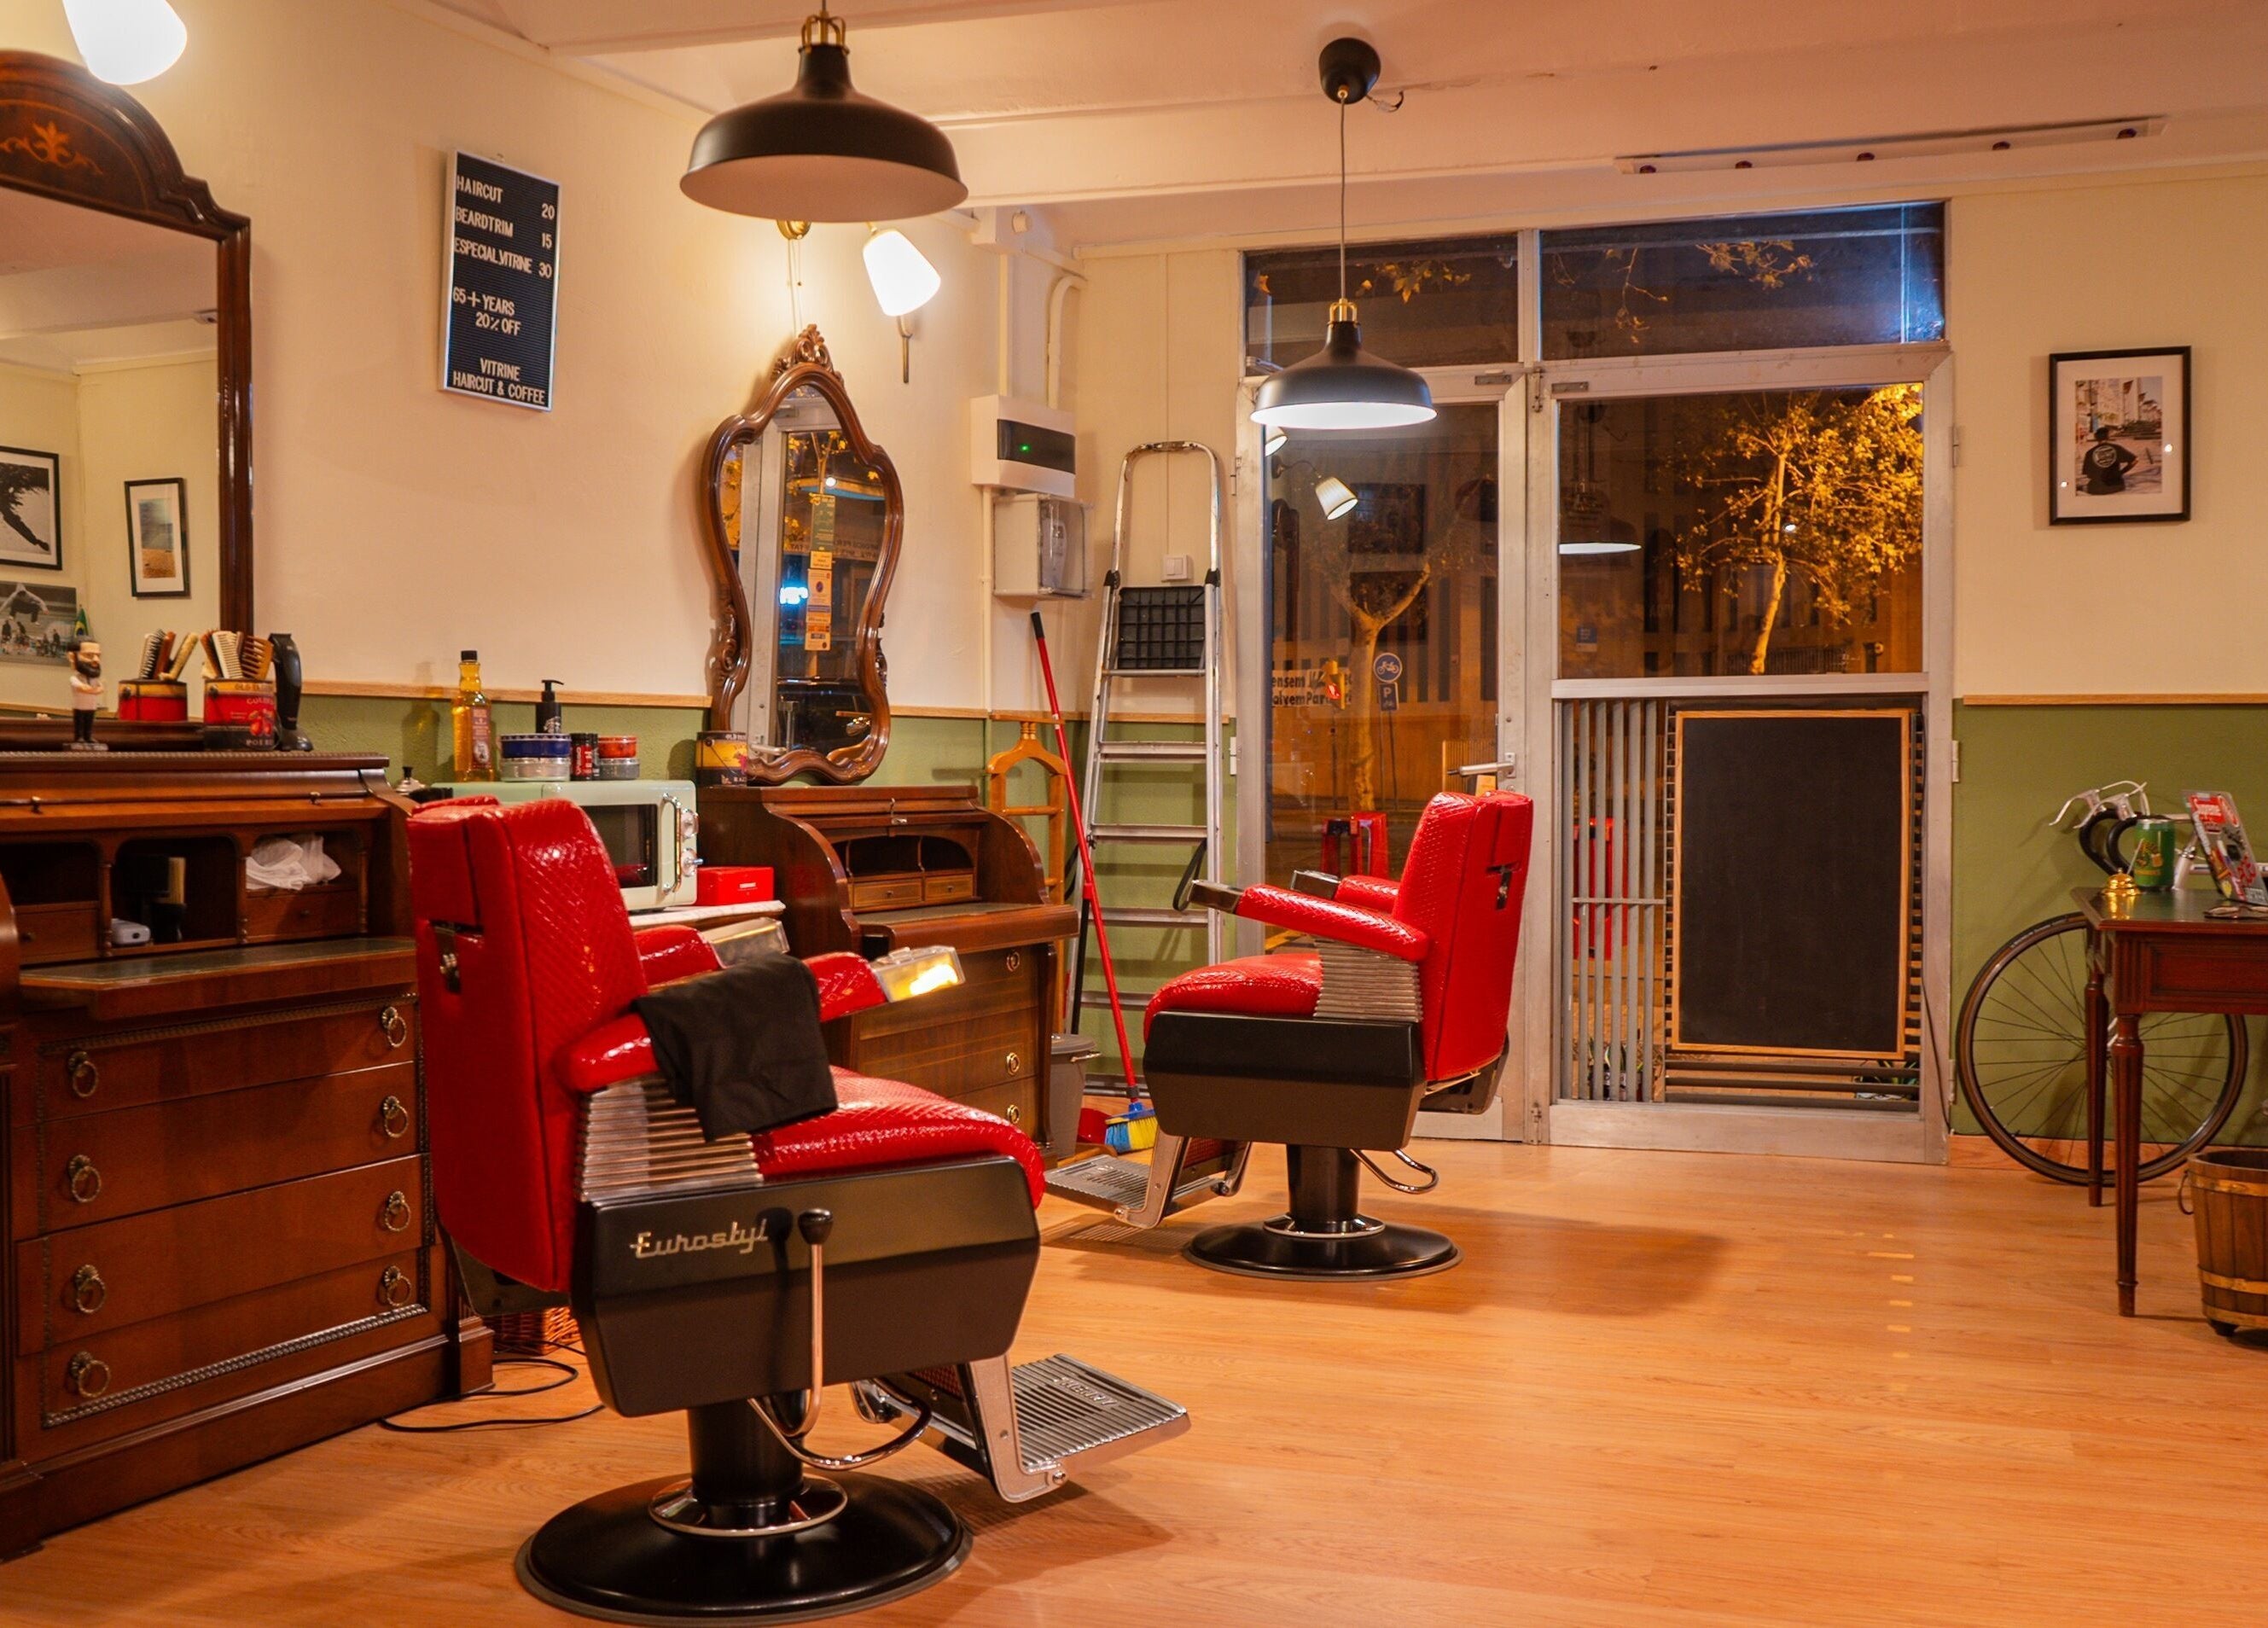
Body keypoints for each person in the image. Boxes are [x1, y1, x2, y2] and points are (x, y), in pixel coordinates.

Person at [2079, 425, 2138, 495]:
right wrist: (2121, 472)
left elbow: (2088, 474)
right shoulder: (2117, 448)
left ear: (2095, 437)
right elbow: (2135, 460)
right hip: (2116, 486)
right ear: (2108, 436)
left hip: (2097, 489)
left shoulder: (2089, 453)